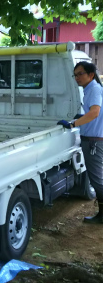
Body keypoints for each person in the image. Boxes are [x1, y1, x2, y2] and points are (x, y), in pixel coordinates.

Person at [57, 61, 103, 224]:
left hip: (93, 142)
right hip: (93, 140)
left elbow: (95, 112)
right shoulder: (91, 89)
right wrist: (79, 118)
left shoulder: (94, 89)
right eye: (75, 75)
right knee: (97, 177)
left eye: (80, 74)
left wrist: (72, 124)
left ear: (90, 75)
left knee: (97, 179)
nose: (77, 78)